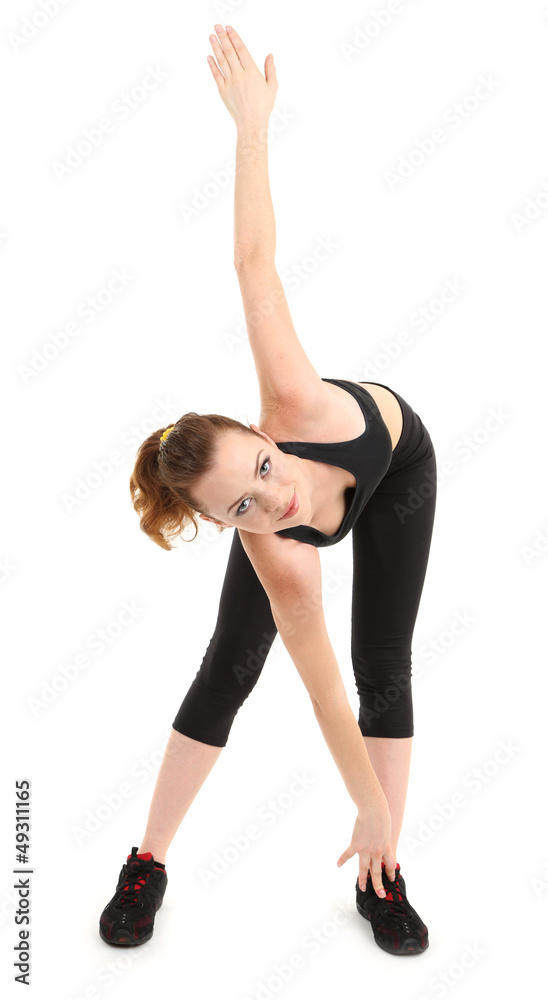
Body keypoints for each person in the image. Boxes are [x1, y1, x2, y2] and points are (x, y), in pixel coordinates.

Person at [99, 24, 436, 957]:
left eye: (259, 468)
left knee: (388, 664)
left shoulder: (291, 397)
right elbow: (323, 698)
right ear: (222, 526)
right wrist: (358, 794)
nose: (271, 497)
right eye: (239, 507)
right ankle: (147, 860)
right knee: (229, 670)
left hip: (393, 468)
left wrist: (251, 129)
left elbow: (254, 261)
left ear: (261, 433)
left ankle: (382, 869)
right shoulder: (277, 553)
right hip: (307, 553)